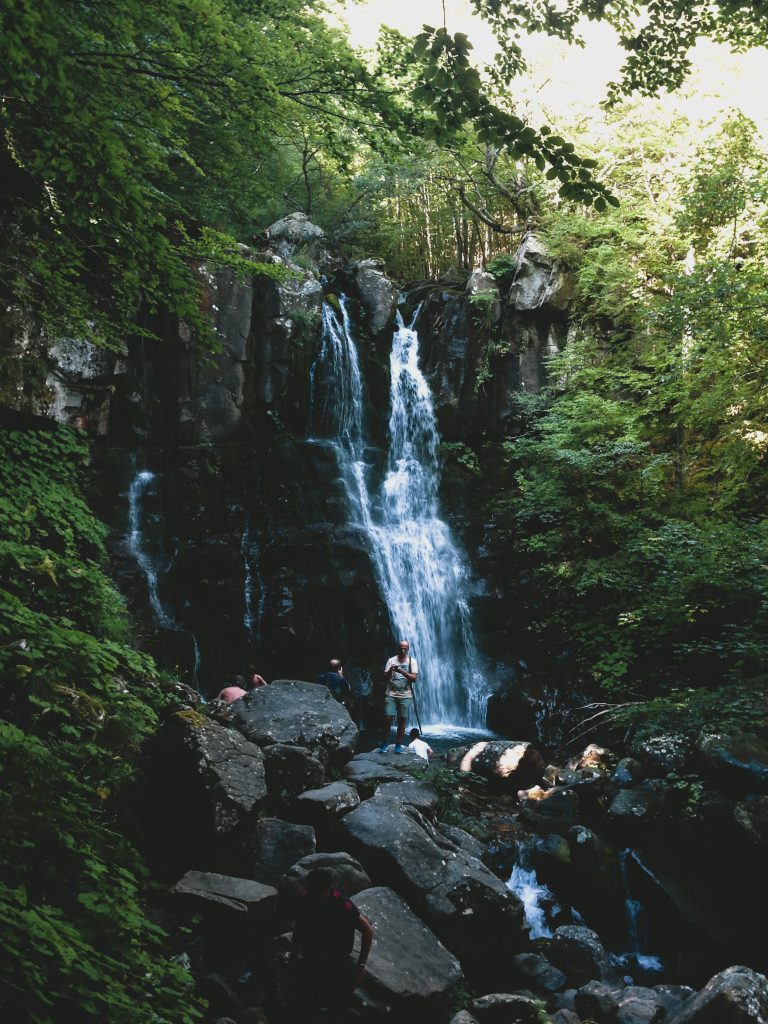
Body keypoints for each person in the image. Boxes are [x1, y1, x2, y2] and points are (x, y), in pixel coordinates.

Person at [290, 868, 374, 1017]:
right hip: (313, 948)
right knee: (305, 995)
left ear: (327, 889)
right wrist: (294, 954)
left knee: (333, 997)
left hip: (337, 951)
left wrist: (360, 967)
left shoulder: (342, 904)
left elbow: (368, 931)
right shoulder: (306, 898)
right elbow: (299, 927)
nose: (314, 896)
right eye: (312, 891)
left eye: (318, 892)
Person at [377, 639, 418, 754]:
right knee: (388, 718)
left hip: (405, 695)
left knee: (402, 719)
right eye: (401, 648)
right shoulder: (391, 660)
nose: (403, 650)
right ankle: (384, 742)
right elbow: (385, 678)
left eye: (405, 649)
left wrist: (401, 671)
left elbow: (414, 678)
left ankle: (398, 744)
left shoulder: (412, 661)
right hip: (391, 694)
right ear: (397, 648)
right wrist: (391, 670)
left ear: (408, 649)